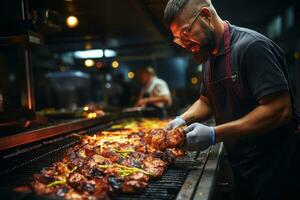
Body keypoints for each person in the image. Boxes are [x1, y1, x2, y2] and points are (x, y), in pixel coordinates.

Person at [164, 0, 300, 199]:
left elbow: (279, 110)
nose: (184, 43)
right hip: (242, 161)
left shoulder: (252, 47)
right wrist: (182, 120)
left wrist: (213, 134)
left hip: (275, 164)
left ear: (205, 15)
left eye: (185, 33)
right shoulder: (209, 56)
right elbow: (206, 101)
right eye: (178, 39)